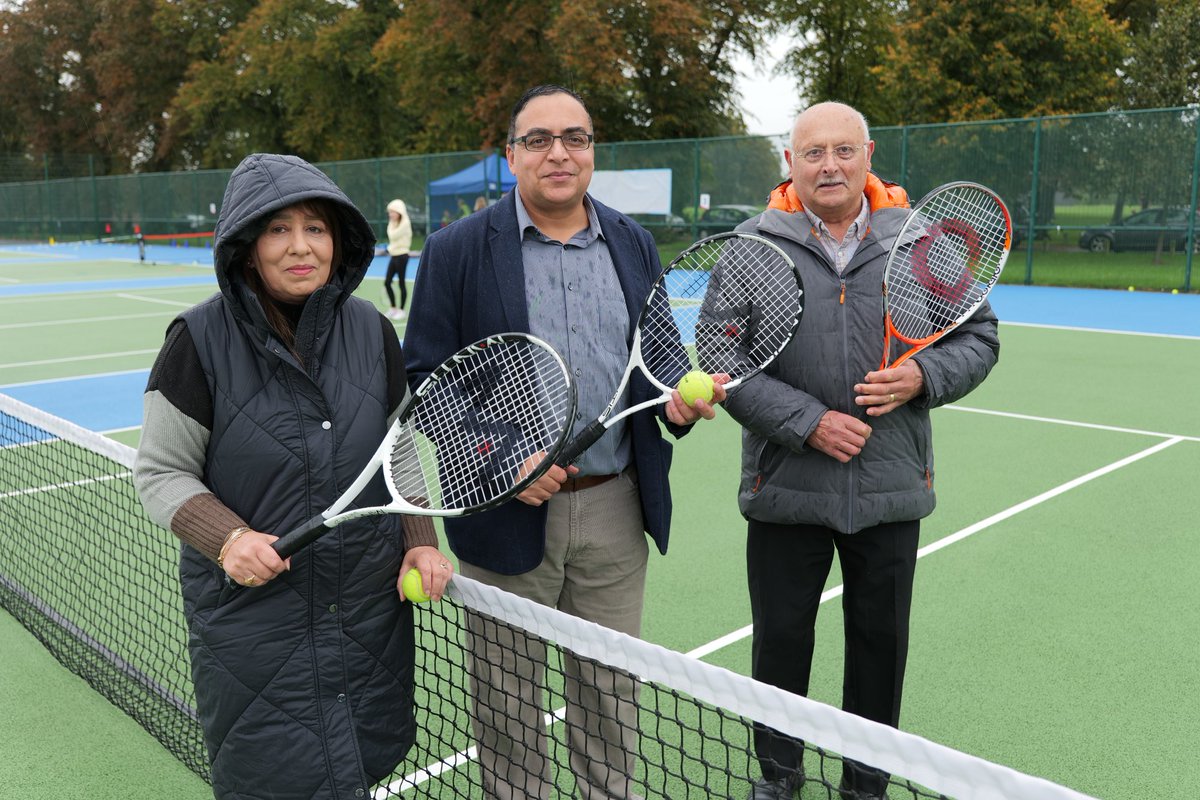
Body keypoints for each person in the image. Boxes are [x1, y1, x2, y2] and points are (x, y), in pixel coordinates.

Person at [403, 84, 726, 800]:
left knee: (610, 695)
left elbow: (659, 359)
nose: (558, 153)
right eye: (539, 139)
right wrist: (501, 461)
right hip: (502, 509)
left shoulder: (632, 242)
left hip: (616, 508)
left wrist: (680, 403)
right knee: (508, 705)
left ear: (591, 152)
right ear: (511, 155)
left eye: (574, 138)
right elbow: (425, 380)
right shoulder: (457, 250)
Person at [133, 153, 453, 800]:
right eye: (278, 229)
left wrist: (421, 539)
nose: (301, 247)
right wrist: (228, 539)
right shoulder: (196, 340)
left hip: (367, 614)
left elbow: (397, 452)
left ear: (338, 240)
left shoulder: (372, 330)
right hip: (256, 627)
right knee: (276, 779)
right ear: (248, 248)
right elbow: (162, 472)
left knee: (357, 766)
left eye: (316, 228)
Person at [714, 102, 999, 800]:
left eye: (844, 150)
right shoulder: (750, 247)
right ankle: (779, 775)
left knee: (880, 648)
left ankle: (865, 782)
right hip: (786, 489)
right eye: (813, 153)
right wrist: (808, 423)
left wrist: (922, 375)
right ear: (791, 163)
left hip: (890, 489)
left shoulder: (921, 240)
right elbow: (722, 362)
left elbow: (978, 338)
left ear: (868, 156)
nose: (830, 165)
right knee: (781, 644)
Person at [377, 197, 412, 320]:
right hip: (394, 256)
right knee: (387, 282)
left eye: (393, 212)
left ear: (399, 211)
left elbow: (393, 235)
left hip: (402, 256)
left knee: (401, 283)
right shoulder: (393, 223)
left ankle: (401, 310)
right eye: (389, 212)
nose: (390, 214)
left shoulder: (405, 223)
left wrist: (389, 248)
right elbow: (392, 238)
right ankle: (393, 308)